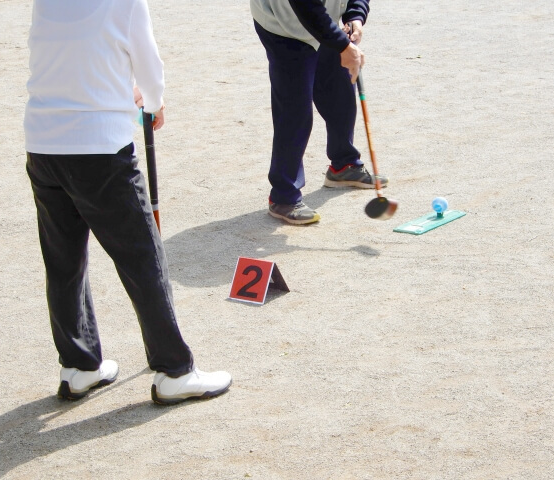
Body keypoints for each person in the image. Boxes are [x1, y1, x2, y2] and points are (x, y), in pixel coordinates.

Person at [24, 0, 231, 405]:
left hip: (43, 143)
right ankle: (174, 370)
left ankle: (79, 365)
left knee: (64, 261)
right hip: (100, 148)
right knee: (143, 258)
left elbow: (70, 56)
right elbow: (149, 69)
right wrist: (154, 102)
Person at [250, 0, 387, 225]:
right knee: (295, 109)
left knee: (340, 88)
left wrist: (355, 14)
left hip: (323, 16)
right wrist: (342, 45)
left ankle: (344, 165)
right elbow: (306, 6)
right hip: (283, 23)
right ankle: (283, 196)